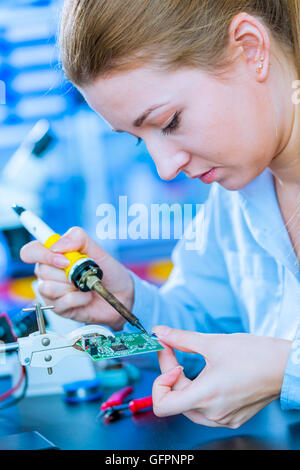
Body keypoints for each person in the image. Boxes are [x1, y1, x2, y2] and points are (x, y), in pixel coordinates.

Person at [20, 0, 300, 429]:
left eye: (168, 122)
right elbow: (209, 338)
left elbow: (271, 363)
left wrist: (285, 369)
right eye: (138, 139)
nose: (165, 167)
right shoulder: (233, 199)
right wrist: (126, 303)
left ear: (250, 50)